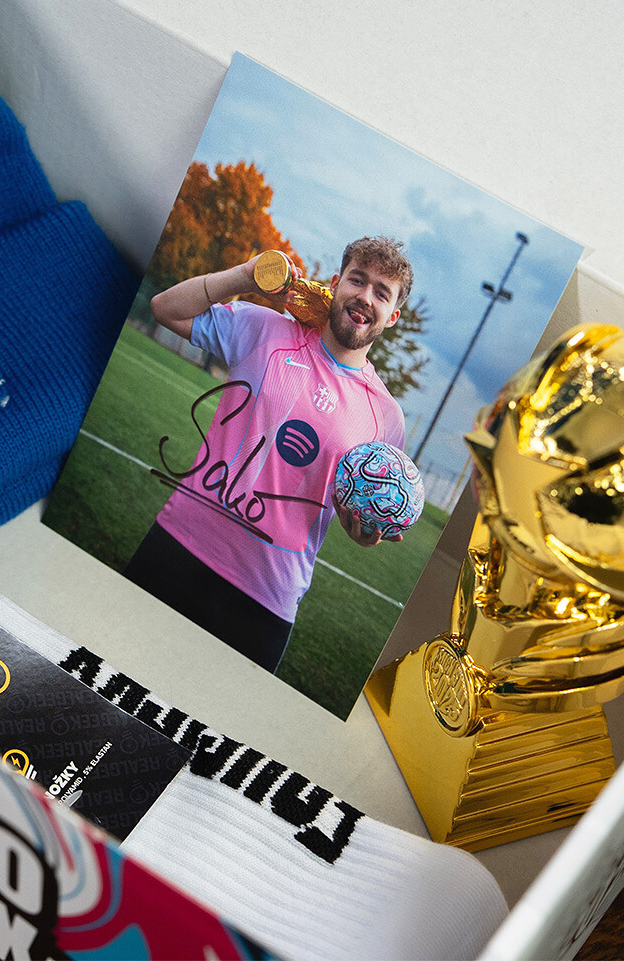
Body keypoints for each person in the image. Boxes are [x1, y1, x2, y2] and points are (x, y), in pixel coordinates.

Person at [124, 236, 413, 672]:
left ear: (392, 316)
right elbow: (166, 308)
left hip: (265, 600)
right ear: (336, 283)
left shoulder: (387, 418)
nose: (365, 297)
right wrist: (247, 275)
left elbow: (367, 504)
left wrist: (365, 531)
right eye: (358, 280)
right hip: (179, 545)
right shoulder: (266, 330)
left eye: (381, 292)